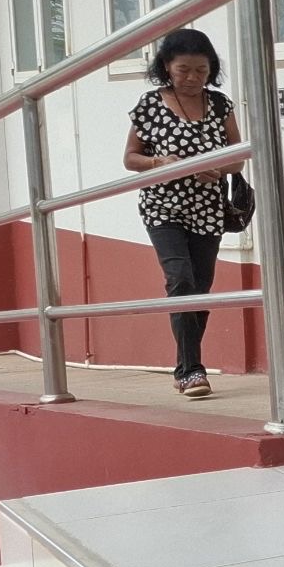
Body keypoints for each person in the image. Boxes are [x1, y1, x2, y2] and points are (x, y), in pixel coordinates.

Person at [124, 28, 241, 399]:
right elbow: (131, 158)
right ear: (166, 67)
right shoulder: (150, 104)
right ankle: (191, 370)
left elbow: (238, 157)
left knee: (200, 289)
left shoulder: (219, 104)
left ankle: (187, 366)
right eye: (183, 70)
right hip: (163, 207)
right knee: (180, 280)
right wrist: (159, 162)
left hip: (207, 209)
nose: (192, 78)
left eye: (201, 71)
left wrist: (217, 168)